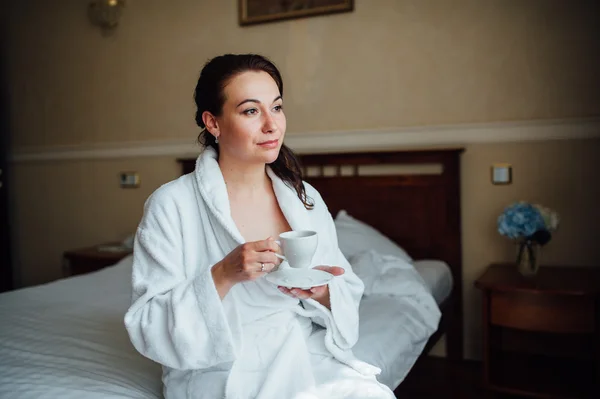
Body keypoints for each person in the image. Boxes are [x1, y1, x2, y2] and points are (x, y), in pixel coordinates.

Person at [124, 54, 396, 399]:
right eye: (251, 111)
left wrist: (321, 292)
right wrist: (224, 273)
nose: (272, 125)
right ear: (213, 123)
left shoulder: (303, 197)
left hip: (296, 348)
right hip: (220, 366)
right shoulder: (171, 204)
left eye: (277, 108)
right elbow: (149, 321)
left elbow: (344, 283)